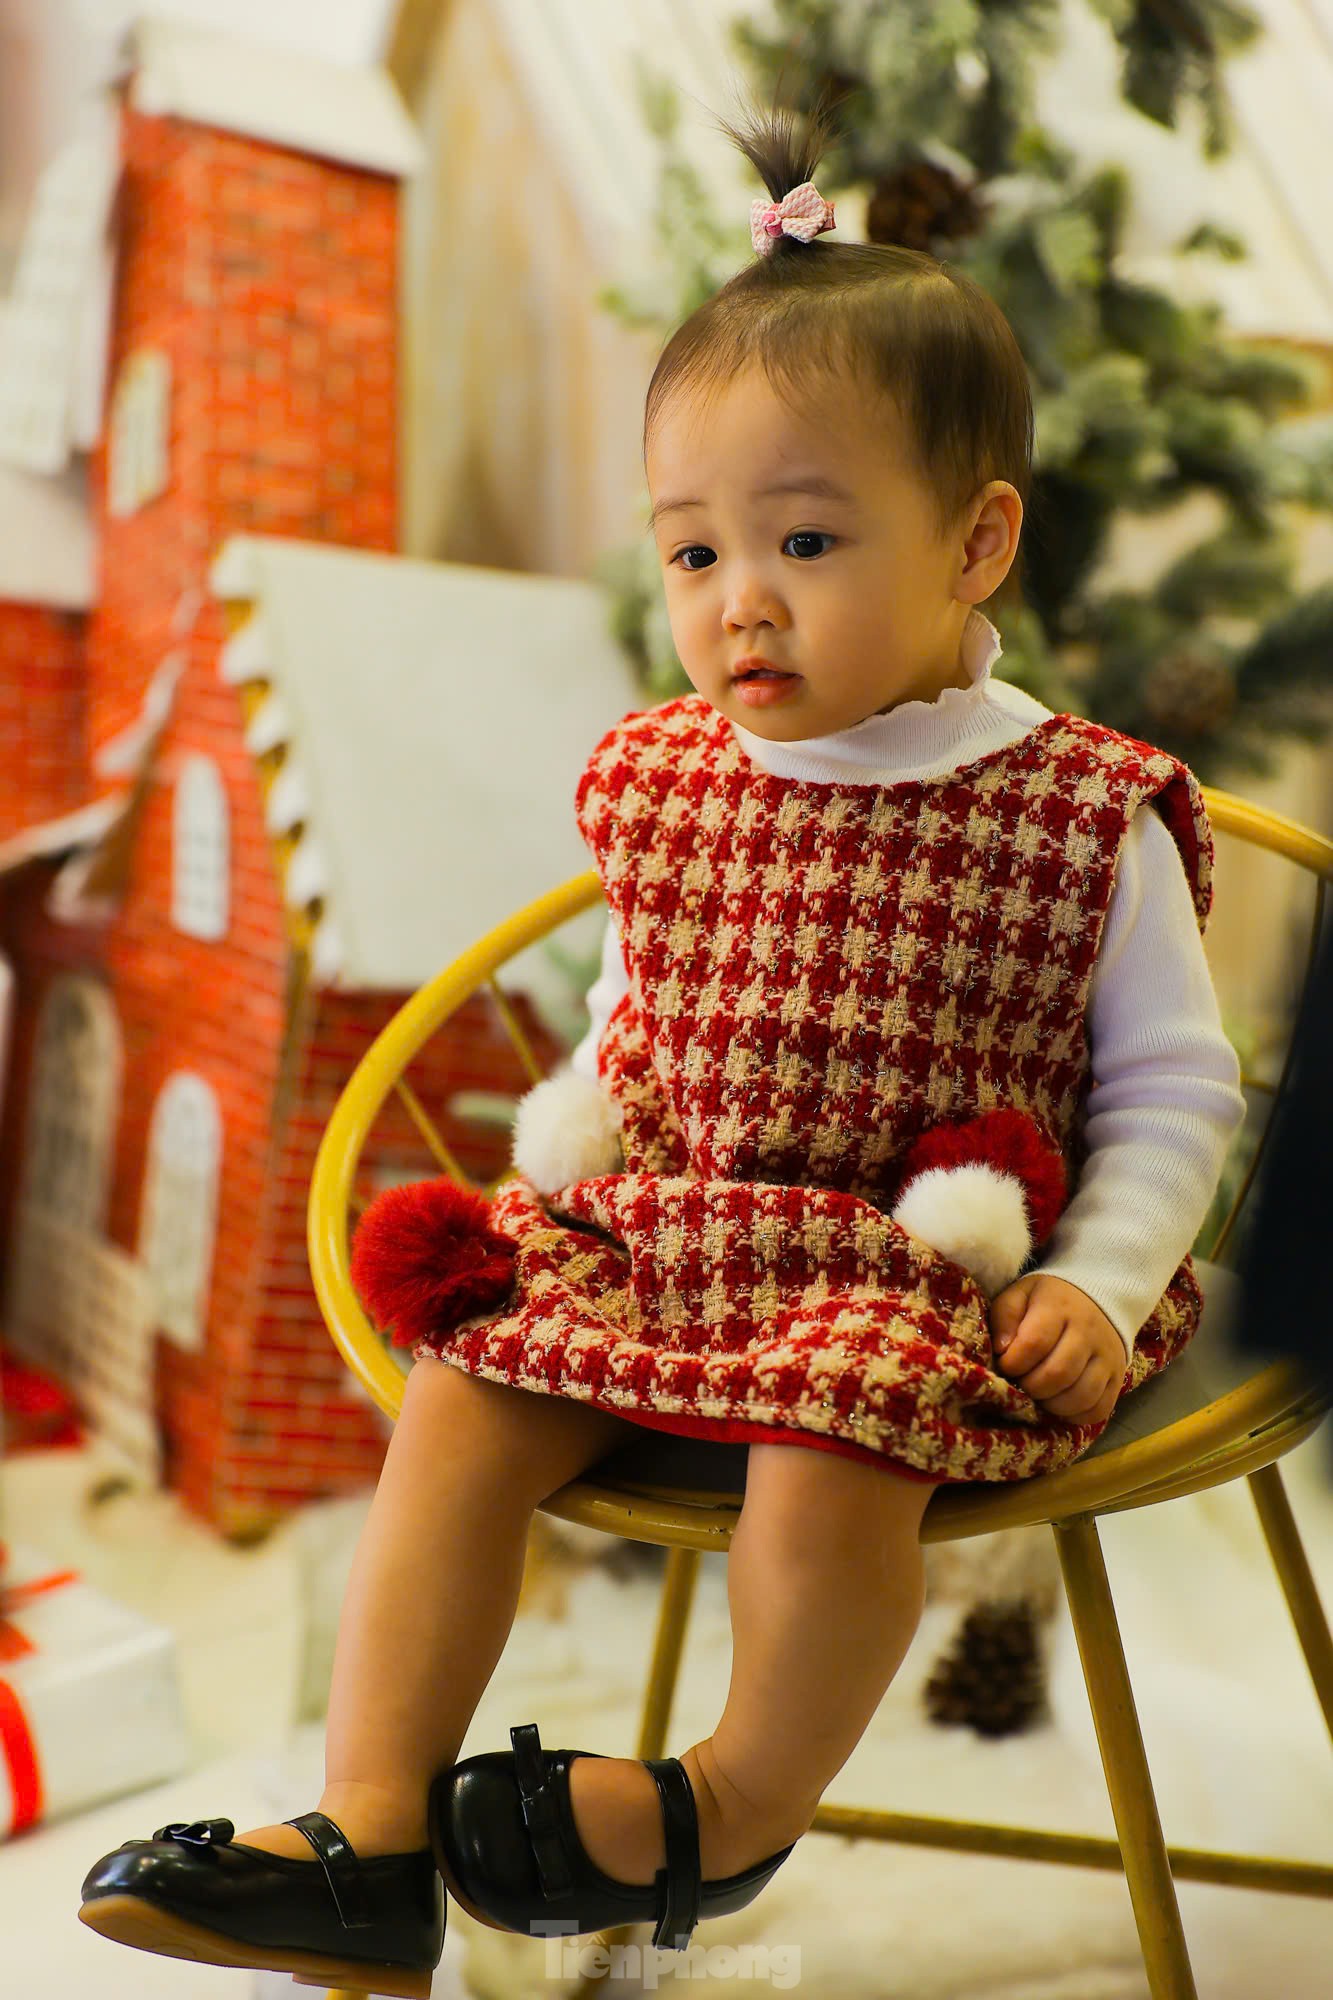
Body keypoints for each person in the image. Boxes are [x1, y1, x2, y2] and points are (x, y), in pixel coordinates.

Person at [77, 83, 1249, 1989]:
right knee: (466, 1389)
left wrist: (1105, 1285)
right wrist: (574, 1139)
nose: (737, 606)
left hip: (912, 1267)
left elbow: (1170, 1083)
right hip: (680, 1222)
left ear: (973, 545)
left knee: (828, 1447)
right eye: (693, 554)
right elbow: (645, 1011)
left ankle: (734, 1794)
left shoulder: (1073, 804)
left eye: (802, 538)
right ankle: (368, 1839)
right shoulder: (672, 780)